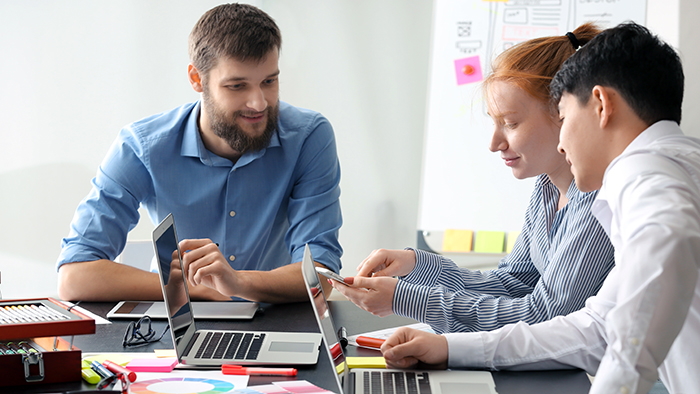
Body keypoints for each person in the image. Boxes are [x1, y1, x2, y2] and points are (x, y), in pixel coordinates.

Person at [381, 22, 699, 394]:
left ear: (601, 105)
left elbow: (630, 346)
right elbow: (596, 329)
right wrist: (452, 348)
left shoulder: (645, 178)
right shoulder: (666, 166)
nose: (562, 141)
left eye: (563, 117)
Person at [330, 24, 615, 333]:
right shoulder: (546, 189)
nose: (494, 143)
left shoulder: (598, 198)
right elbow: (511, 283)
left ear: (563, 112)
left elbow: (546, 314)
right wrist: (416, 265)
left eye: (510, 123)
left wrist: (407, 300)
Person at [56, 3, 342, 303]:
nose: (258, 103)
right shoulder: (142, 146)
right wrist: (196, 290)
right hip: (182, 323)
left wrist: (236, 283)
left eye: (269, 81)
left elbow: (320, 275)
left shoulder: (309, 137)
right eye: (237, 86)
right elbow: (75, 276)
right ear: (197, 79)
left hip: (279, 320)